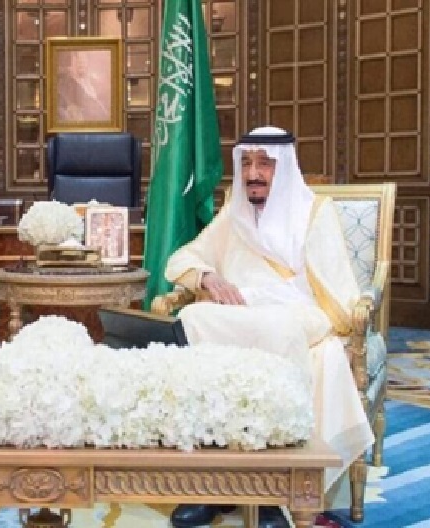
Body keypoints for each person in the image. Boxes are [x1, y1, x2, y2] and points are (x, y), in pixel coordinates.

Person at [164, 126, 374, 528]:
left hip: (298, 312)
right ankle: (212, 481)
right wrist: (208, 277)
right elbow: (182, 259)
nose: (253, 174)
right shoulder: (235, 213)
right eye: (246, 163)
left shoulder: (314, 212)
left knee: (279, 331)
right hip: (243, 312)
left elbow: (338, 292)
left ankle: (272, 491)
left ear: (285, 168)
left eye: (264, 164)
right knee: (192, 317)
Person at [56, 50, 111, 122]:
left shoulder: (95, 83)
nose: (81, 62)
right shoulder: (63, 87)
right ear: (70, 63)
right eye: (77, 58)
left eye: (84, 58)